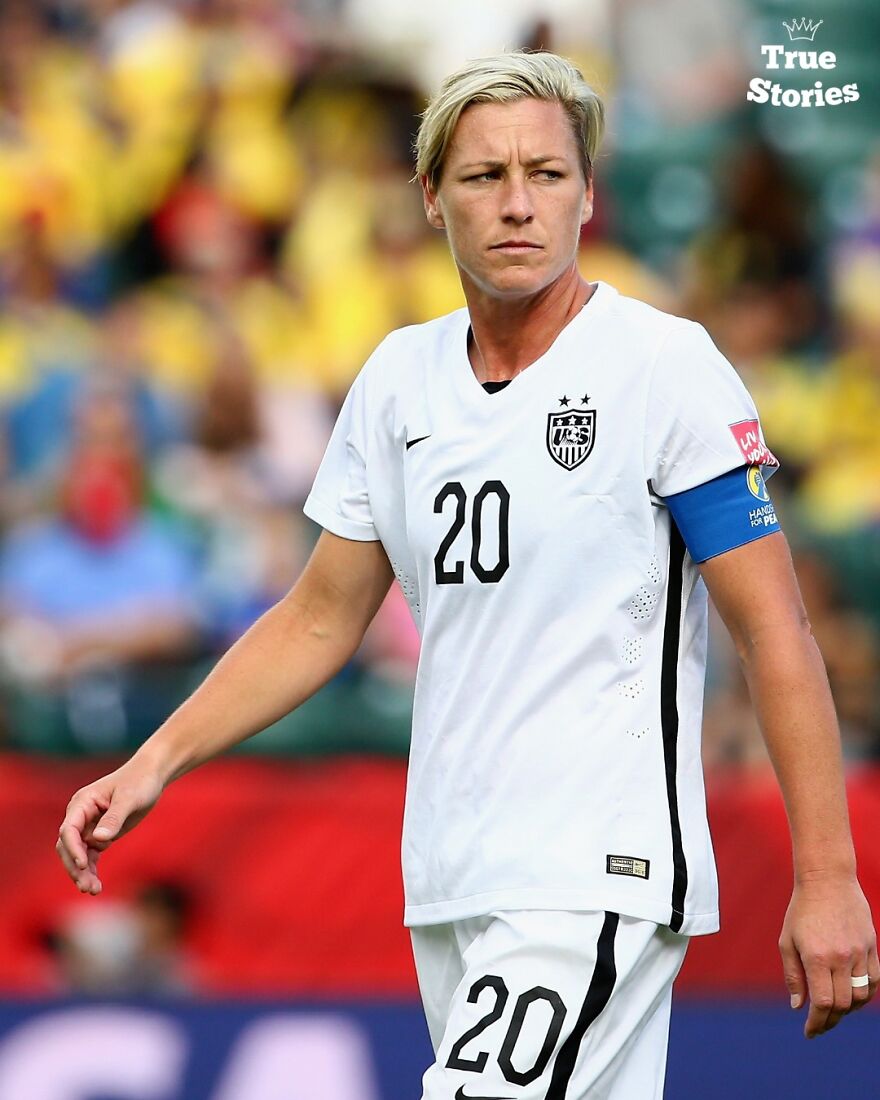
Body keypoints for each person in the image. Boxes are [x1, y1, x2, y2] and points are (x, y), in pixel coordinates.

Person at [57, 51, 877, 1098]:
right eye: (485, 175)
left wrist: (828, 875)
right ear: (432, 196)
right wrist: (154, 760)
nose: (518, 202)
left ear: (588, 195)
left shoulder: (661, 366)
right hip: (450, 874)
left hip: (597, 870)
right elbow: (316, 616)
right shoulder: (399, 380)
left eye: (546, 172)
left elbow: (775, 631)